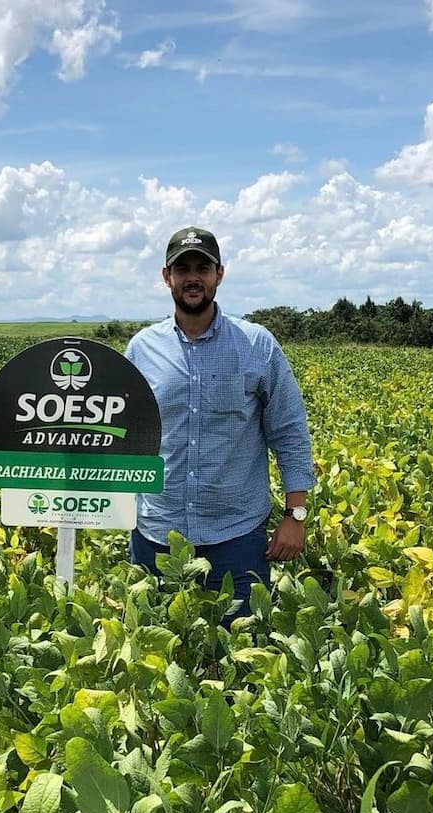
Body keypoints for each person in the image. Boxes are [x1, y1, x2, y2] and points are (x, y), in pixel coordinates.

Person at [125, 225, 315, 618]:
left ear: (219, 275)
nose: (192, 277)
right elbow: (123, 433)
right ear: (167, 277)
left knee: (243, 661)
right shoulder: (141, 349)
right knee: (156, 657)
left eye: (203, 268)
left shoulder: (256, 344)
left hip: (236, 537)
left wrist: (295, 516)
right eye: (182, 269)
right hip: (157, 534)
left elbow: (289, 431)